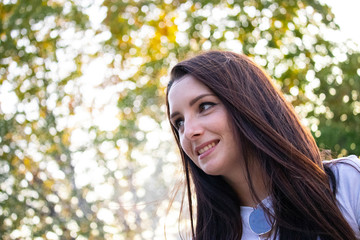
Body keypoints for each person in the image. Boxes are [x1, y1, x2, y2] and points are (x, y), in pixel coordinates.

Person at [165, 51, 360, 240]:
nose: (189, 131)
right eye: (179, 122)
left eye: (205, 106)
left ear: (249, 103)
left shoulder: (347, 183)